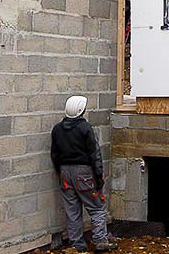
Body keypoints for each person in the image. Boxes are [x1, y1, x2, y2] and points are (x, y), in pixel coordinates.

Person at [51, 96, 117, 252]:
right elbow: (94, 153)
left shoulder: (57, 129)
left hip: (65, 172)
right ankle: (100, 240)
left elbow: (54, 154)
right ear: (81, 110)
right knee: (97, 208)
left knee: (72, 210)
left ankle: (77, 246)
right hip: (84, 172)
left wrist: (60, 173)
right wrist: (99, 177)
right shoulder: (85, 128)